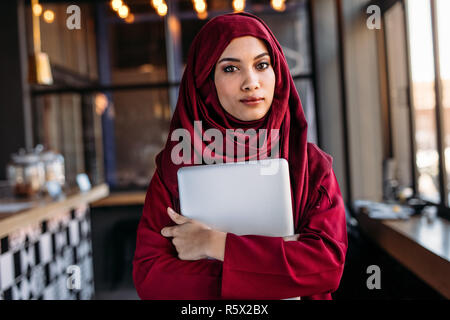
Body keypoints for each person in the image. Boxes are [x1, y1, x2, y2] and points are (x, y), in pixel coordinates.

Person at [132, 12, 347, 300]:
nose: (251, 82)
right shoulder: (175, 166)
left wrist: (212, 244)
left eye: (262, 65)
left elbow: (326, 267)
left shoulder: (312, 165)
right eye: (231, 69)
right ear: (206, 81)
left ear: (277, 73)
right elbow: (152, 279)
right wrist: (279, 262)